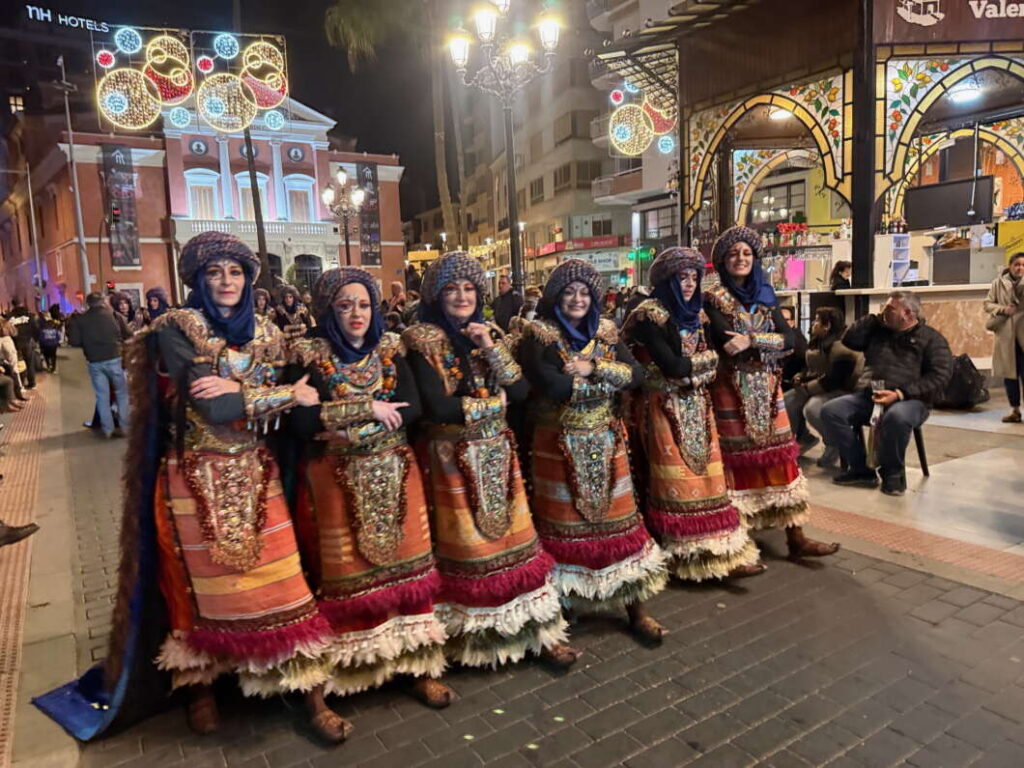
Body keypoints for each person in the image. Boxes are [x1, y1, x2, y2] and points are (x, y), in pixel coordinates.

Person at [35, 231, 347, 743]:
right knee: (193, 594)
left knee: (286, 584)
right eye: (214, 273)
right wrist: (283, 392)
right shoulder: (176, 327)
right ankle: (200, 690)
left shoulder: (270, 330)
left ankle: (312, 693)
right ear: (197, 280)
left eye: (236, 271)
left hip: (257, 473)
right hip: (191, 477)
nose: (226, 281)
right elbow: (213, 408)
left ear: (250, 278)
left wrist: (256, 392)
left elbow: (283, 401)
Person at [287, 267, 455, 715]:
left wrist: (342, 424)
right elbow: (301, 421)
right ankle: (350, 673)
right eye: (344, 305)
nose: (356, 313)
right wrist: (370, 408)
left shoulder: (389, 349)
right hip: (335, 481)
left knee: (410, 572)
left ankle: (418, 667)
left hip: (396, 472)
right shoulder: (307, 355)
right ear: (328, 311)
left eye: (363, 304)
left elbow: (413, 407)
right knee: (346, 575)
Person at [402, 251, 579, 670]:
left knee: (516, 544)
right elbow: (435, 408)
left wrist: (487, 347)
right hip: (450, 458)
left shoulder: (491, 333)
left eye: (469, 288)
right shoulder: (420, 339)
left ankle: (540, 630)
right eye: (452, 289)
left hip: (498, 456)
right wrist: (489, 407)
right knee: (468, 549)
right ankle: (474, 639)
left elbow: (518, 393)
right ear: (437, 296)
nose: (462, 297)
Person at [520, 259, 668, 641]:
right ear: (555, 297)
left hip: (606, 441)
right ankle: (563, 610)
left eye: (585, 292)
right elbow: (553, 387)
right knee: (564, 527)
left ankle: (636, 608)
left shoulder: (605, 330)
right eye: (569, 292)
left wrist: (593, 368)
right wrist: (609, 377)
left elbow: (636, 374)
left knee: (620, 526)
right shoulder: (539, 335)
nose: (577, 299)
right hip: (557, 444)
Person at [624, 248, 764, 582]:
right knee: (676, 482)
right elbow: (672, 367)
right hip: (661, 407)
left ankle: (720, 554)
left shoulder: (696, 313)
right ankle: (681, 556)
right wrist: (698, 368)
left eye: (693, 277)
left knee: (710, 482)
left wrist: (694, 371)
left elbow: (704, 361)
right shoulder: (648, 315)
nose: (688, 284)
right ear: (665, 280)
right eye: (681, 277)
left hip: (698, 407)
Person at [704, 226, 839, 559]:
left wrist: (751, 341)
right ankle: (740, 540)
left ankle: (796, 535)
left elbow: (791, 342)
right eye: (734, 254)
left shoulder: (766, 295)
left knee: (781, 459)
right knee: (737, 463)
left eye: (747, 253)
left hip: (767, 388)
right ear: (722, 261)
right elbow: (726, 343)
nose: (740, 259)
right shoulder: (713, 298)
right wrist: (766, 343)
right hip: (730, 390)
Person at [822, 291, 953, 496]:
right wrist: (872, 319)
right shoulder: (878, 331)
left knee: (896, 417)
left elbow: (940, 376)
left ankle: (893, 474)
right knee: (831, 411)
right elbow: (849, 340)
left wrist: (901, 394)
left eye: (890, 308)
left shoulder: (931, 339)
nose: (884, 312)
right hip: (870, 396)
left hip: (911, 400)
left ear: (907, 313)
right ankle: (860, 469)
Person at [784, 307, 862, 466]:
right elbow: (813, 366)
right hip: (816, 383)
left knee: (812, 408)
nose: (813, 323)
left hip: (841, 389)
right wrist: (801, 376)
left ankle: (833, 443)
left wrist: (807, 388)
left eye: (817, 320)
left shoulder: (842, 345)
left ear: (827, 326)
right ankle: (799, 439)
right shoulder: (816, 340)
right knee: (786, 401)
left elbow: (835, 380)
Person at [67, 293, 132, 439]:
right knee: (122, 394)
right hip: (115, 358)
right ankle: (125, 427)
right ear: (103, 301)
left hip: (95, 362)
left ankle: (107, 430)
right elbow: (128, 334)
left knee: (102, 396)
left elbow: (75, 342)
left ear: (88, 303)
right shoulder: (115, 316)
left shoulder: (80, 320)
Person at [984, 252, 1024, 423]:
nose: (1020, 268)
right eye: (1017, 264)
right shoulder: (998, 283)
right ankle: (1015, 410)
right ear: (1010, 265)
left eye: (1023, 265)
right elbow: (987, 304)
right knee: (1010, 375)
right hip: (1006, 337)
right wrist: (1003, 310)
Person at [7, 300, 40, 390]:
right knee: (29, 363)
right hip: (27, 341)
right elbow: (36, 328)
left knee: (17, 363)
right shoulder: (29, 315)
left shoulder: (9, 317)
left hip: (15, 343)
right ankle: (31, 382)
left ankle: (20, 383)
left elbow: (7, 329)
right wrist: (35, 339)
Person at [779, 306, 808, 394]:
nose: (781, 323)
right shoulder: (769, 336)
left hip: (789, 385)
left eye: (786, 320)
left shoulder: (798, 340)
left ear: (792, 323)